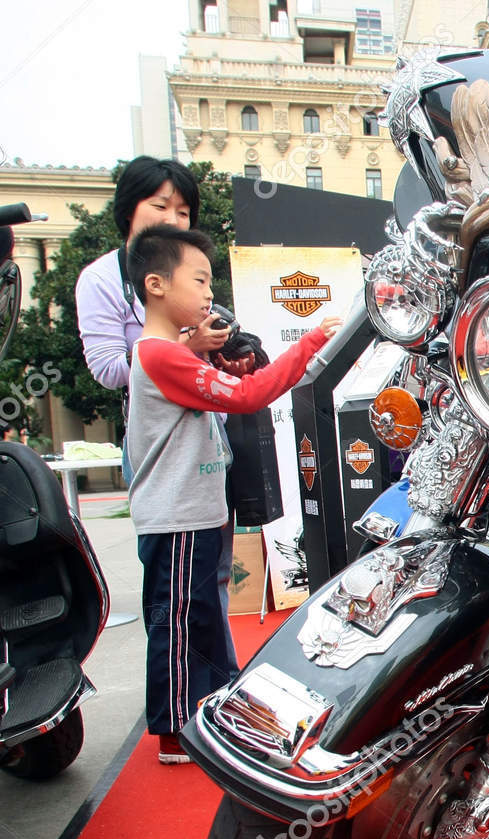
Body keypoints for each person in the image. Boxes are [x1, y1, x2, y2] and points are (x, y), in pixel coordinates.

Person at [125, 224, 341, 763]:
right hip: (175, 516)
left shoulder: (174, 352)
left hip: (198, 511)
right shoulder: (158, 354)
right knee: (179, 620)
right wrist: (313, 339)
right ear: (156, 284)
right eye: (198, 280)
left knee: (204, 614)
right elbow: (249, 395)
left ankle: (216, 707)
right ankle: (177, 729)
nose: (207, 294)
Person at [75, 156, 247, 674]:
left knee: (215, 571)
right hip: (157, 445)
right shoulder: (101, 279)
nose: (174, 219)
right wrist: (177, 347)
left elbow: (216, 362)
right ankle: (177, 702)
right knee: (172, 586)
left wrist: (222, 357)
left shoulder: (189, 271)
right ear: (129, 210)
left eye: (183, 209)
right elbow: (106, 367)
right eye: (160, 206)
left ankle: (216, 684)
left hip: (207, 437)